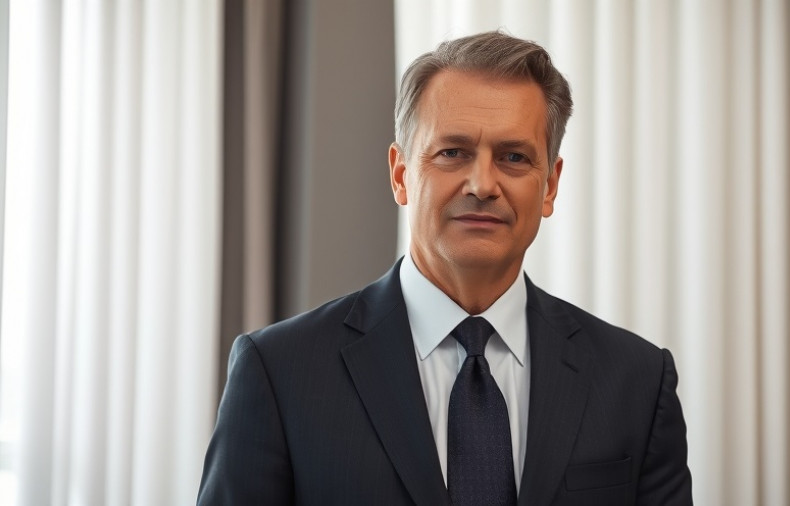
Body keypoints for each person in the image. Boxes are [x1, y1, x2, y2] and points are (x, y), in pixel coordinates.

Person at [198, 31, 692, 505]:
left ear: (550, 186)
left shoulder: (637, 382)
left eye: (514, 157)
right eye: (453, 152)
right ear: (401, 174)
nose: (482, 184)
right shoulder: (280, 373)